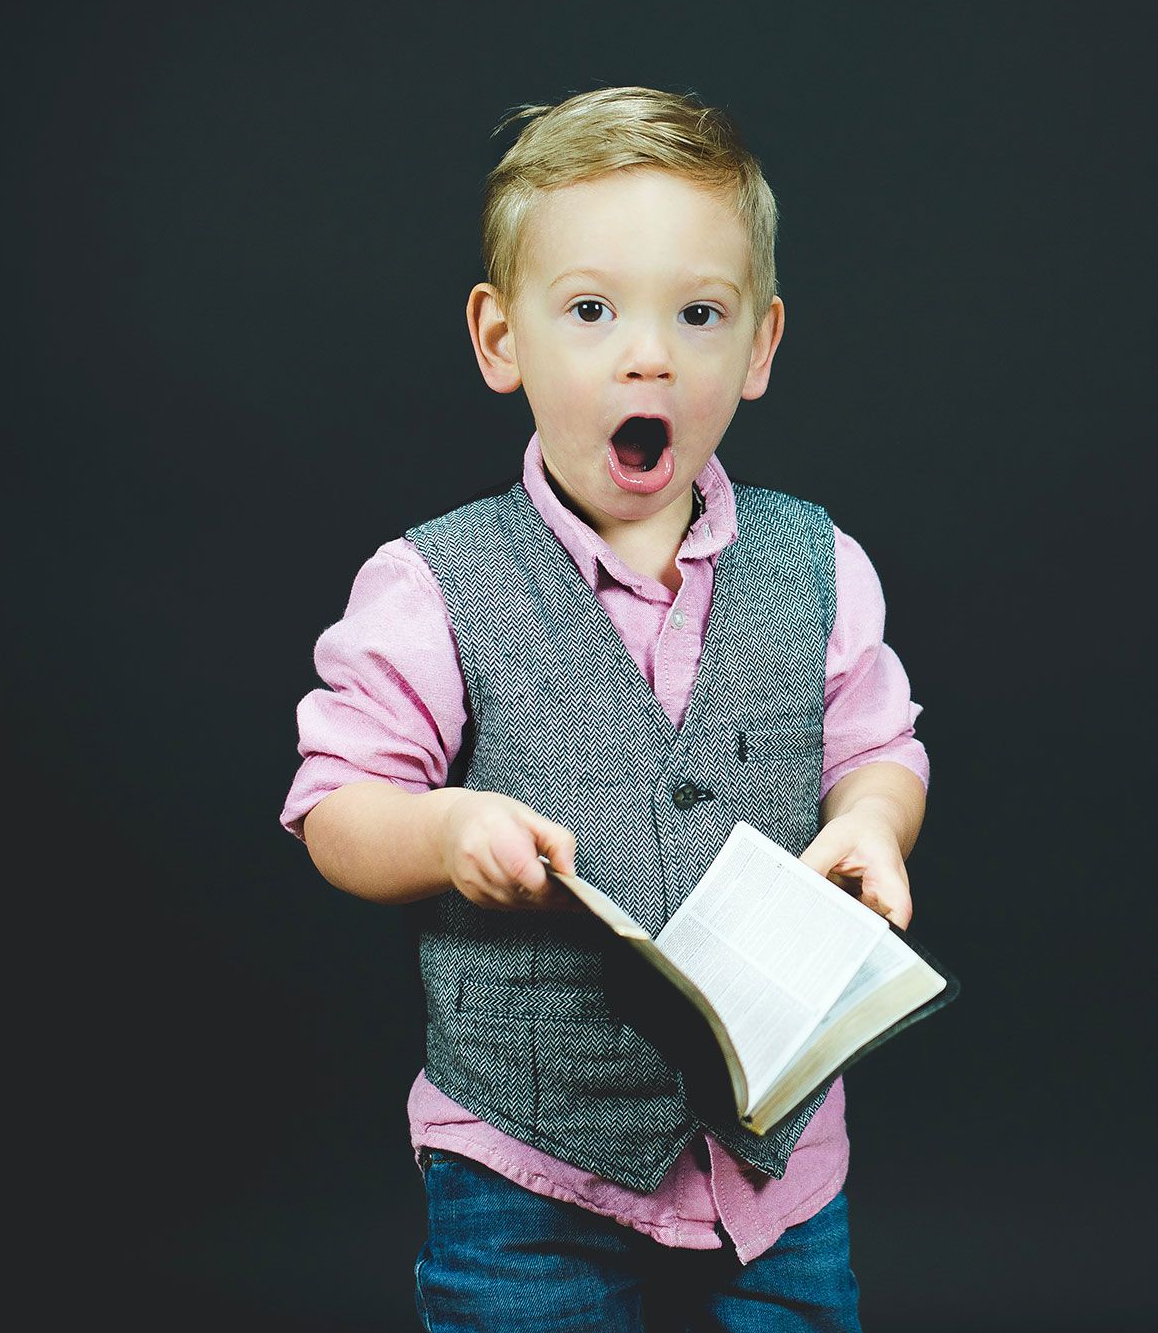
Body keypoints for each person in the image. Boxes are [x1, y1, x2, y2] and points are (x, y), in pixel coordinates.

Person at [281, 85, 929, 1332]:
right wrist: (442, 830)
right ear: (499, 339)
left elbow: (879, 746)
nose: (650, 355)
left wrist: (873, 823)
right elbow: (332, 809)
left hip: (774, 1170)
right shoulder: (433, 585)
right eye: (590, 311)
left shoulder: (817, 564)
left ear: (758, 348)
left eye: (698, 314)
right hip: (527, 1164)